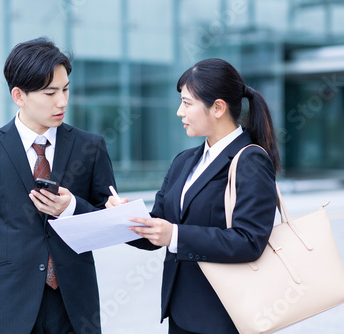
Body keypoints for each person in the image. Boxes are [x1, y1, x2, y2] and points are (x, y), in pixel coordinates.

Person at [106, 58, 280, 334]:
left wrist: (176, 235)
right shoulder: (184, 161)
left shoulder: (250, 161)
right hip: (182, 314)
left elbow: (249, 241)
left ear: (218, 108)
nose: (179, 112)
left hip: (225, 318)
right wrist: (123, 217)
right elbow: (159, 225)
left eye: (187, 103)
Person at [0, 37, 116, 334]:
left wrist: (72, 208)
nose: (62, 101)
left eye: (66, 89)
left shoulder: (90, 147)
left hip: (74, 308)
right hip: (9, 308)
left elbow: (107, 221)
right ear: (19, 95)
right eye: (50, 92)